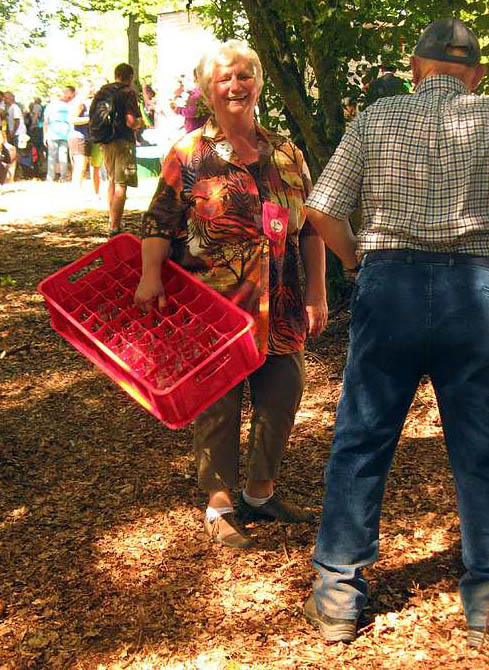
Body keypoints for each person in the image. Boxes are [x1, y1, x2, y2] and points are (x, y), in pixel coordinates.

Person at [302, 17, 489, 648]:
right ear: (476, 74)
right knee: (480, 443)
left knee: (362, 437)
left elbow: (321, 209)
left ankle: (337, 592)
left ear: (415, 69)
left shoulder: (377, 117)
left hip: (390, 286)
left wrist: (358, 264)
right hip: (476, 293)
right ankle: (485, 592)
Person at [134, 39, 327, 550]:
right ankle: (218, 504)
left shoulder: (286, 152)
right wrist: (150, 276)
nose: (235, 85)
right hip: (214, 305)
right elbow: (160, 221)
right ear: (206, 89)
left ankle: (261, 493)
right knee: (217, 403)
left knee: (282, 394)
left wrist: (318, 295)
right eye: (224, 78)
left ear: (258, 82)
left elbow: (310, 230)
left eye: (244, 75)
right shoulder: (189, 154)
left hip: (282, 302)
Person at [95, 63, 144, 236]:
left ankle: (112, 220)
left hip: (105, 141)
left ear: (116, 74)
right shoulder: (128, 92)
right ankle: (115, 227)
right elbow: (131, 121)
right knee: (121, 184)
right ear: (130, 76)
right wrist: (141, 123)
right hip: (123, 142)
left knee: (111, 180)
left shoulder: (103, 91)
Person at [43, 86, 75, 182]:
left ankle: (50, 177)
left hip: (53, 132)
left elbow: (46, 121)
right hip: (65, 132)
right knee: (63, 155)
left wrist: (45, 135)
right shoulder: (67, 106)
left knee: (52, 156)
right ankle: (63, 177)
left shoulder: (50, 106)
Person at [170, 68, 210, 133]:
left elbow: (191, 112)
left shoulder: (196, 96)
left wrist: (178, 110)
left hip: (195, 129)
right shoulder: (206, 92)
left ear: (196, 79)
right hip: (204, 127)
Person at [68, 82, 91, 192]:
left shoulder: (85, 102)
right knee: (80, 166)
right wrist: (90, 120)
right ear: (80, 89)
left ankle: (78, 189)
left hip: (85, 136)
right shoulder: (78, 102)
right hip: (77, 136)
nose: (91, 89)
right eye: (88, 87)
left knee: (83, 166)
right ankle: (76, 190)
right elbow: (72, 119)